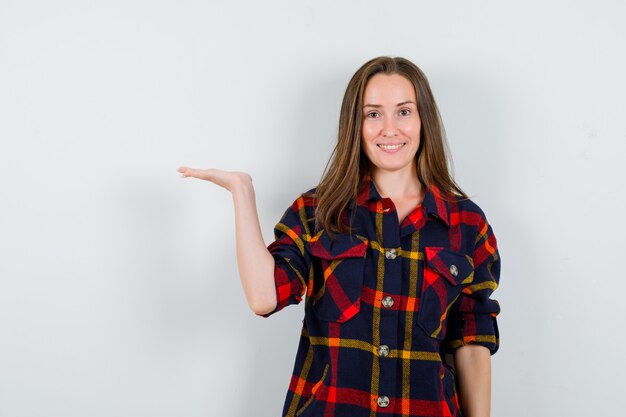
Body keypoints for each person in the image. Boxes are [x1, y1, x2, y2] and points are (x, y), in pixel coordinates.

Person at [177, 56, 501, 417]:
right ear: (356, 125)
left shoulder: (467, 223)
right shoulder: (318, 211)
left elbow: (472, 344)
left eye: (404, 112)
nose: (390, 129)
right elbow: (263, 298)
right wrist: (242, 192)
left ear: (424, 119)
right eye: (373, 114)